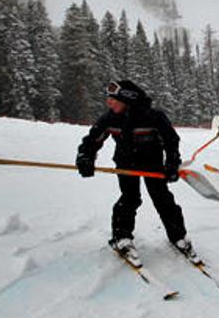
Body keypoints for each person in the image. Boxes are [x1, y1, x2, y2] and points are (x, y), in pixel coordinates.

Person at [76, 80, 198, 263]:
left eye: (113, 99)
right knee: (130, 198)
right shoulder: (110, 118)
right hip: (126, 164)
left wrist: (172, 163)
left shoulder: (154, 117)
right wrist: (85, 157)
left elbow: (171, 140)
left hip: (153, 164)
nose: (108, 103)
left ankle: (178, 236)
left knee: (162, 197)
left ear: (126, 99)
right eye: (108, 99)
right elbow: (92, 140)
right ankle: (122, 237)